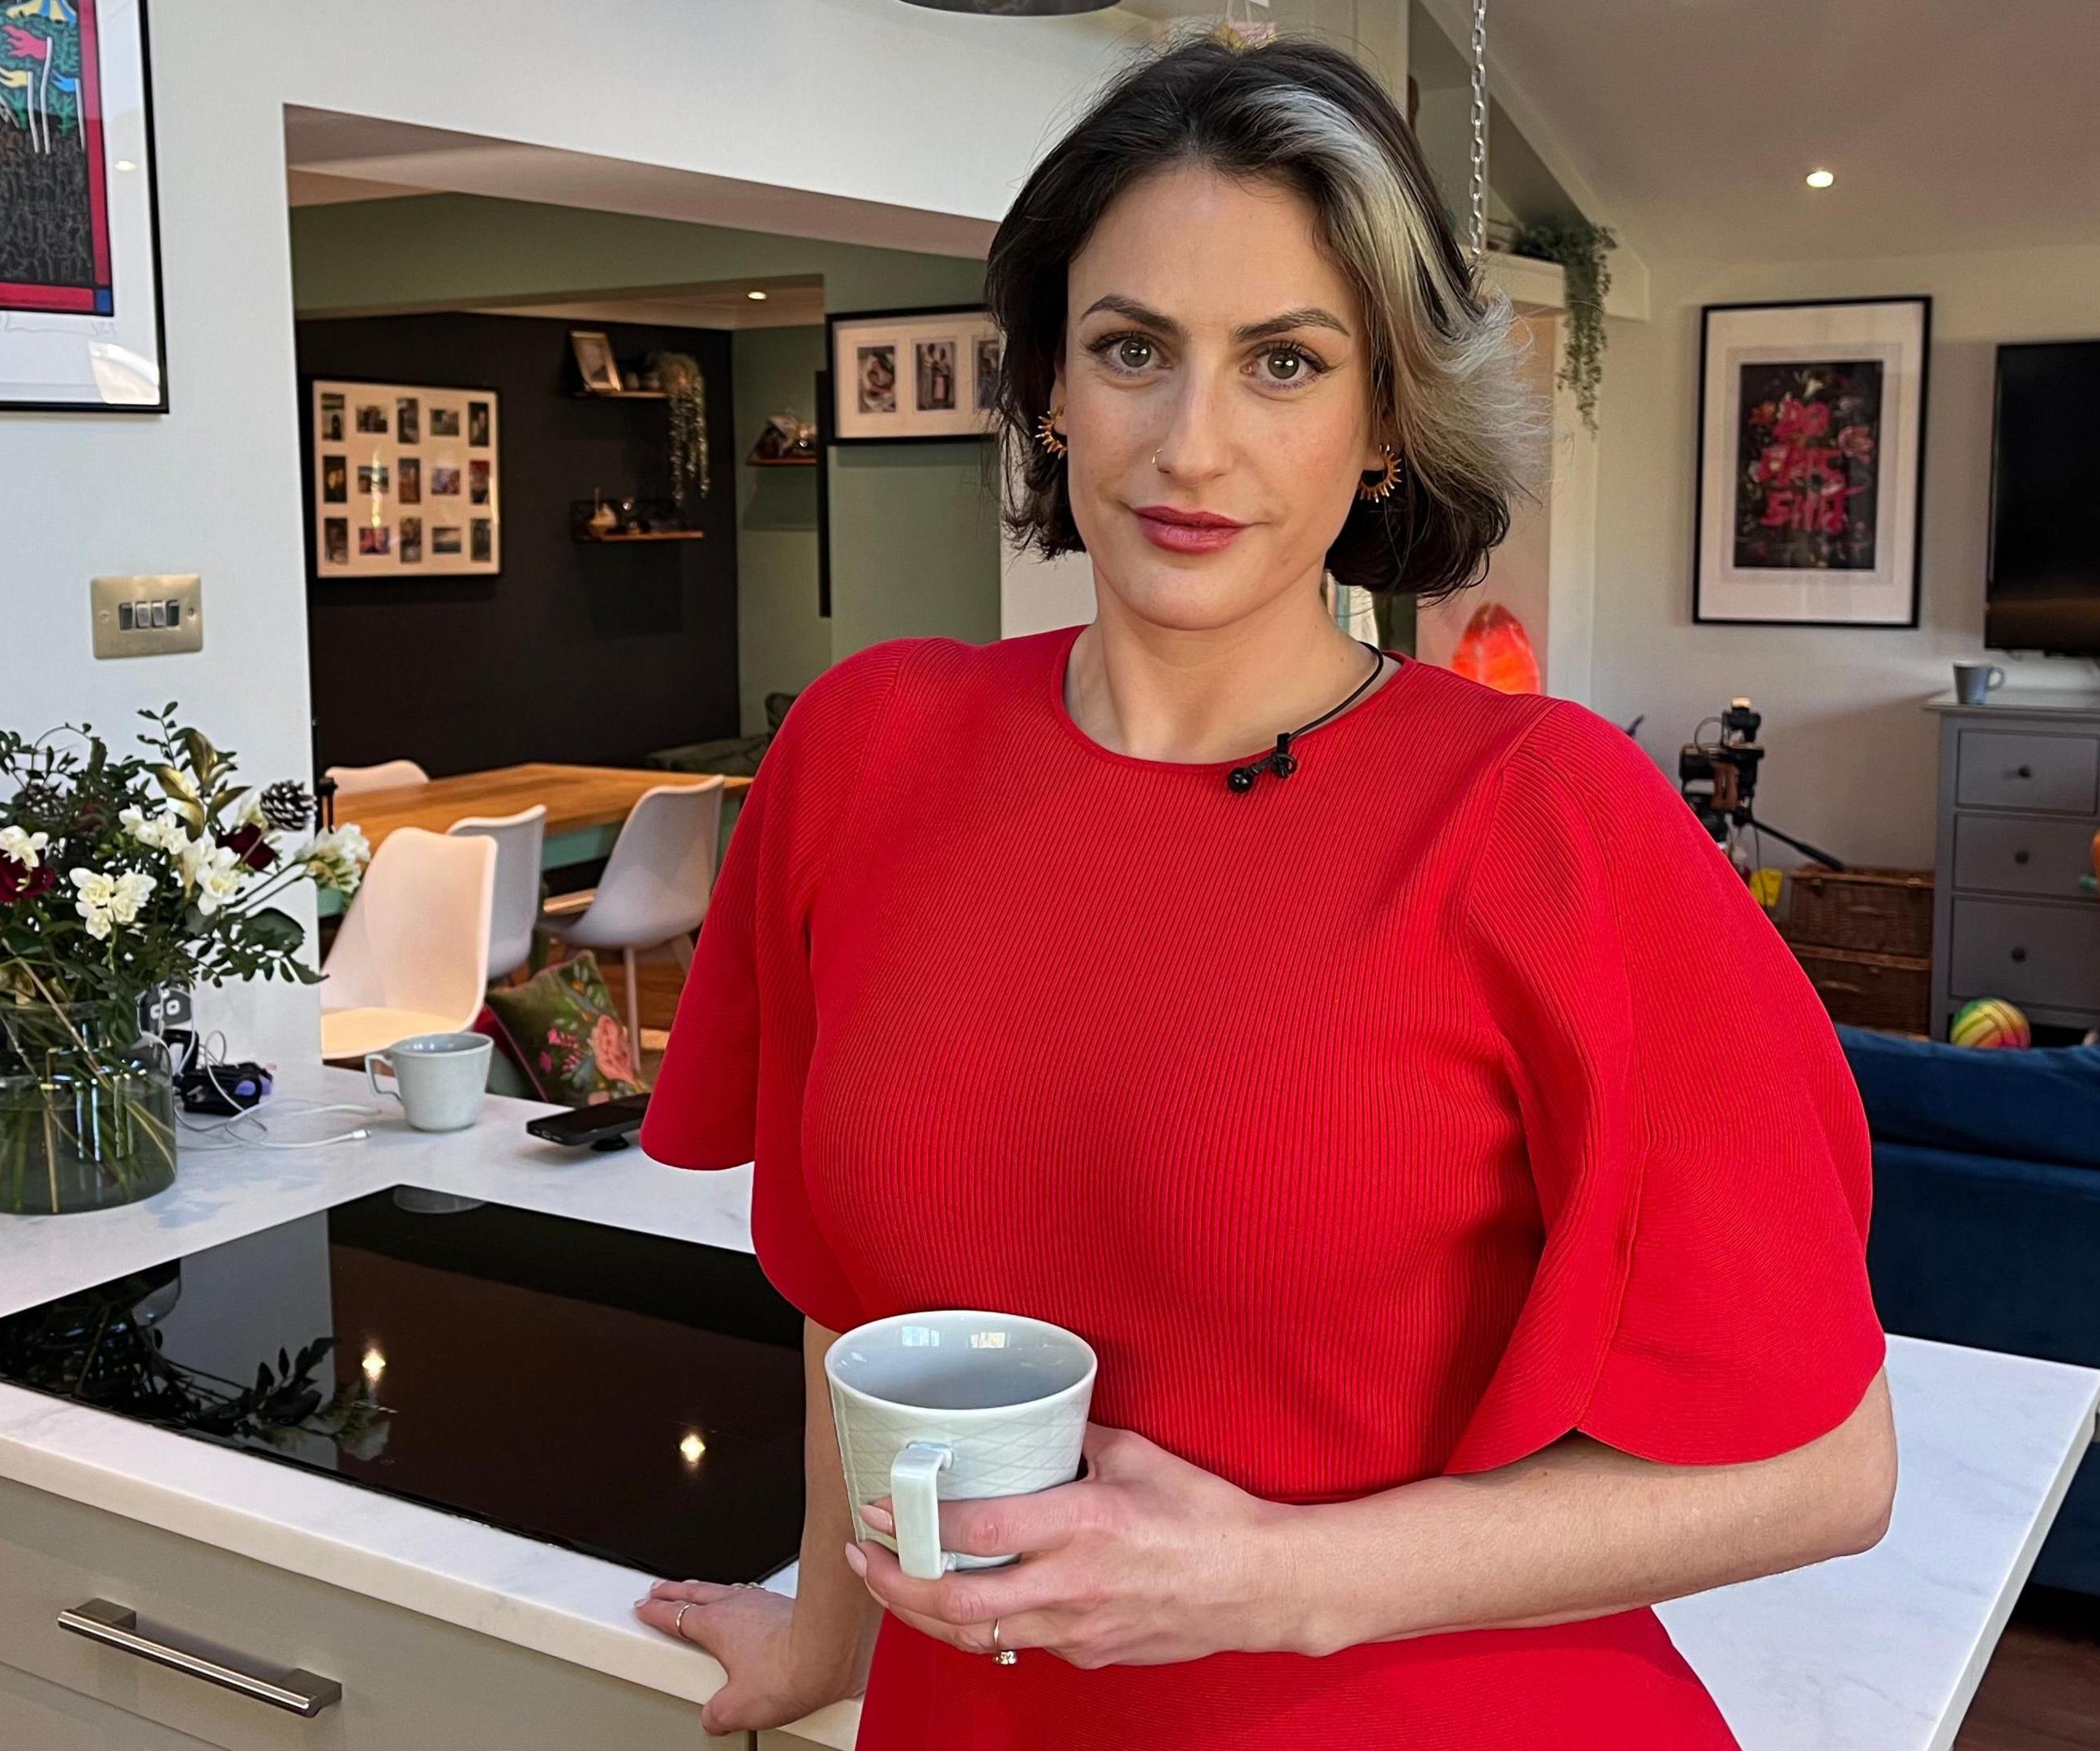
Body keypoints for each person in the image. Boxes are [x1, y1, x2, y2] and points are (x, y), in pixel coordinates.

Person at [636, 33, 1894, 1750]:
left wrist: (1273, 1580)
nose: (1192, 444)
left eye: (1285, 363)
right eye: (1132, 349)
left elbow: (1832, 1471)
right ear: (1050, 384)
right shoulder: (866, 748)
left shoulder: (1546, 814)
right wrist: (829, 1637)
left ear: (1384, 422)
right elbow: (853, 1303)